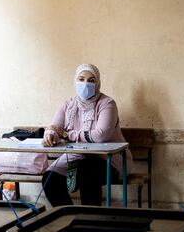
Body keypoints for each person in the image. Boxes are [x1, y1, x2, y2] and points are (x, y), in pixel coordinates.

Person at [41, 64, 132, 206]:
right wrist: (50, 134)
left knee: (87, 171)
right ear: (74, 81)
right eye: (81, 79)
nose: (85, 84)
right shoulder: (68, 105)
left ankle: (89, 222)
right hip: (76, 157)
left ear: (98, 83)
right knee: (50, 179)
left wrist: (66, 134)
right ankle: (69, 217)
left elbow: (100, 135)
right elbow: (55, 127)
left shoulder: (107, 103)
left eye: (91, 80)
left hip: (109, 158)